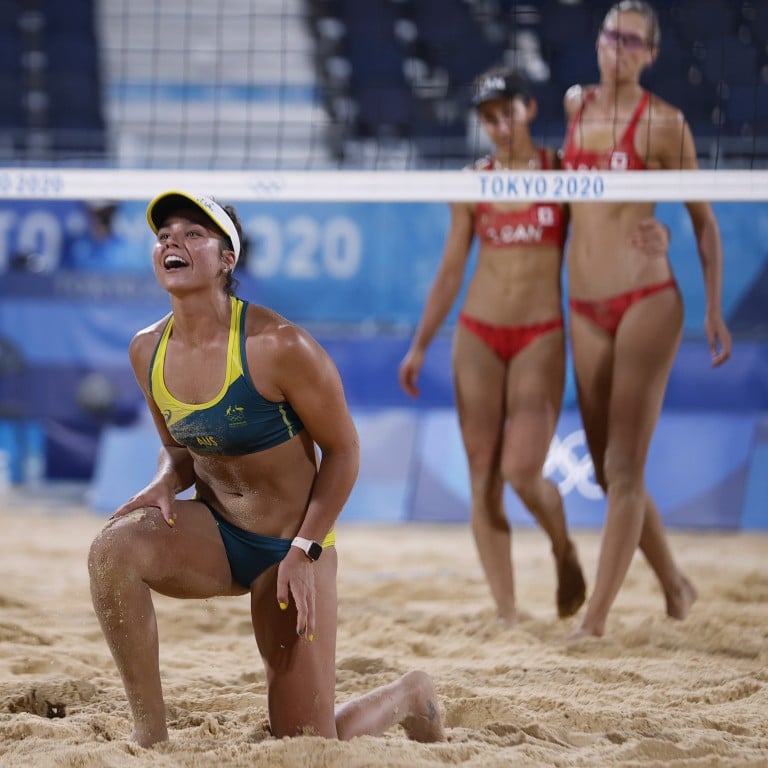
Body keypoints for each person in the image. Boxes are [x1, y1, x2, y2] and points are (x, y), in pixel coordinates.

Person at [87, 190, 445, 747]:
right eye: (164, 237)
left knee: (305, 742)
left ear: (227, 259)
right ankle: (149, 736)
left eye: (193, 235)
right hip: (219, 535)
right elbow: (180, 451)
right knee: (112, 550)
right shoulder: (146, 350)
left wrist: (306, 550)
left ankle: (409, 693)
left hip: (292, 548)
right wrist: (163, 479)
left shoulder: (280, 346)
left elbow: (345, 453)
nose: (172, 244)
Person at [560, 0, 732, 639]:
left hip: (647, 302)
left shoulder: (665, 124)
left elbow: (705, 221)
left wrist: (713, 308)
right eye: (613, 35)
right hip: (583, 307)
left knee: (626, 466)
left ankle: (595, 622)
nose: (620, 47)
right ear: (600, 41)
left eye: (634, 41)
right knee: (608, 471)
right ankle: (677, 585)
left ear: (651, 54)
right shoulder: (577, 108)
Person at [399, 66, 588, 628]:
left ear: (530, 108)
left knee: (523, 470)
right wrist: (419, 345)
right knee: (482, 476)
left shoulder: (561, 172)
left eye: (507, 111)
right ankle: (507, 613)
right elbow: (452, 269)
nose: (499, 124)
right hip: (478, 332)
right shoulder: (473, 181)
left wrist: (653, 237)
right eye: (488, 117)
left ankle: (562, 548)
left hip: (540, 334)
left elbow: (608, 229)